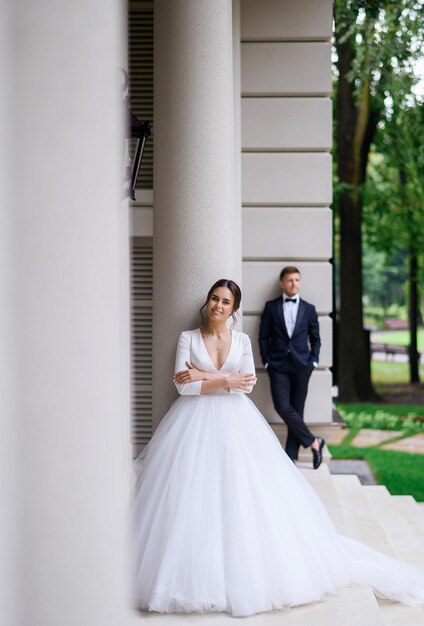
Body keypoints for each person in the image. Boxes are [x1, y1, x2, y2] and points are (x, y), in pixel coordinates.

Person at [133, 279, 424, 617]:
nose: (218, 306)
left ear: (234, 309)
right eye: (214, 299)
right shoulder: (188, 337)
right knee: (192, 497)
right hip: (191, 425)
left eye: (225, 302)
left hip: (236, 423)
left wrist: (204, 376)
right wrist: (224, 380)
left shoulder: (240, 339)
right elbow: (183, 388)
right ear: (207, 302)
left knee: (243, 494)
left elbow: (246, 384)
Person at [259, 266, 324, 467]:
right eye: (289, 280)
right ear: (282, 283)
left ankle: (290, 457)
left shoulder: (309, 309)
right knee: (282, 406)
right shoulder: (271, 307)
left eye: (297, 280)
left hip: (302, 365)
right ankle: (314, 442)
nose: (293, 283)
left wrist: (313, 361)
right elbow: (263, 336)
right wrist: (267, 360)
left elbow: (316, 339)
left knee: (297, 409)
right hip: (277, 365)